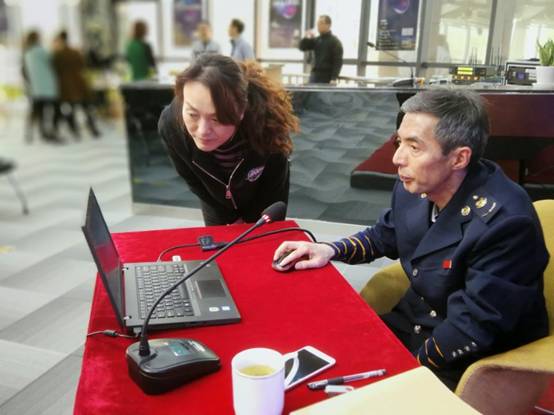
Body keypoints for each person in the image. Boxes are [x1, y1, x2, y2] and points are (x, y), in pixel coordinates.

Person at [273, 89, 549, 390]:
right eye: (399, 142)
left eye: (414, 147)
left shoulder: (505, 223)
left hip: (471, 360)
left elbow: (473, 326)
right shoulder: (417, 185)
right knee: (312, 352)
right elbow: (386, 234)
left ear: (459, 158)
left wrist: (397, 371)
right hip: (413, 324)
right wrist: (329, 249)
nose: (397, 158)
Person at [158, 54, 298, 226]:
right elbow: (193, 180)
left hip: (263, 198)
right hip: (215, 202)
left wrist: (251, 223)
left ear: (241, 110)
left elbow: (273, 186)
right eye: (193, 114)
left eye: (216, 119)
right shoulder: (171, 125)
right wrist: (229, 218)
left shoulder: (268, 126)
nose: (202, 131)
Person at [52, 30, 100, 139]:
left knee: (71, 109)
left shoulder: (58, 54)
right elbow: (82, 64)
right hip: (79, 83)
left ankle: (75, 130)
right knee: (86, 108)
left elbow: (54, 69)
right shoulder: (75, 52)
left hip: (66, 86)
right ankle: (92, 128)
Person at [22, 30, 62, 143]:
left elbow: (25, 72)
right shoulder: (41, 51)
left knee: (38, 111)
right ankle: (52, 132)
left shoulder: (27, 52)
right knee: (56, 109)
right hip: (47, 86)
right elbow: (53, 60)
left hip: (36, 88)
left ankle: (36, 133)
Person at [298, 15, 343, 84]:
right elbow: (302, 47)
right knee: (310, 90)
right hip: (314, 75)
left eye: (321, 23)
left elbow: (338, 62)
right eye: (318, 23)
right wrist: (306, 38)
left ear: (328, 25)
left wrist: (334, 78)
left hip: (327, 77)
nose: (318, 26)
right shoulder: (317, 40)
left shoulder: (335, 42)